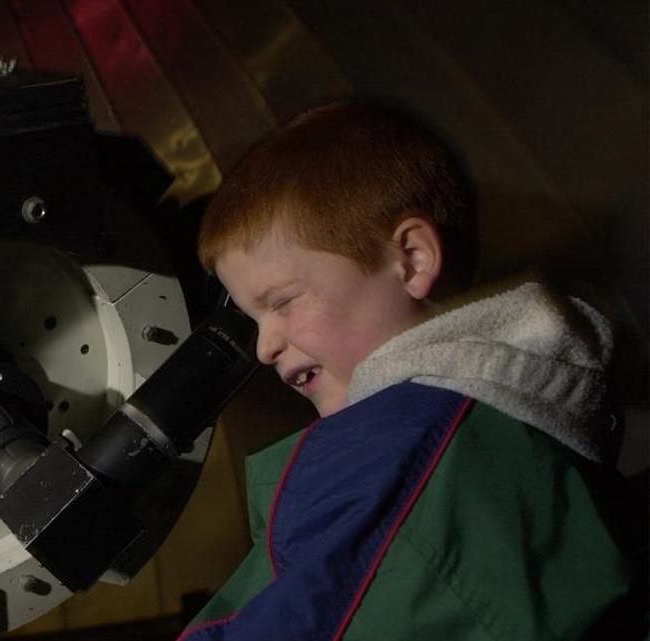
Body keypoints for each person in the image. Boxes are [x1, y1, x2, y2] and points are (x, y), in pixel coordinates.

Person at [179, 101, 646, 640]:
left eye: (282, 302)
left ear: (413, 259)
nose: (264, 347)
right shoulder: (526, 437)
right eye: (253, 318)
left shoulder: (403, 454)